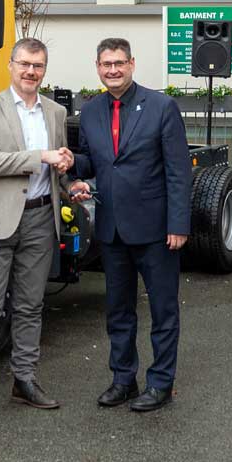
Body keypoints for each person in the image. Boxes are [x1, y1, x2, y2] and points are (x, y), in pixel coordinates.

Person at [69, 38, 191, 412]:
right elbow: (92, 162)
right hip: (112, 231)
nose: (113, 70)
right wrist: (70, 167)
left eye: (119, 63)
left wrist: (178, 224)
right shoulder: (90, 112)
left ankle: (160, 384)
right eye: (106, 64)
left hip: (156, 230)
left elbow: (178, 171)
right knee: (118, 311)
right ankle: (123, 379)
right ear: (97, 67)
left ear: (132, 64)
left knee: (163, 311)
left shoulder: (161, 107)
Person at [0, 38, 74, 425]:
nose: (31, 72)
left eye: (38, 66)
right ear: (10, 66)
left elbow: (57, 167)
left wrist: (68, 177)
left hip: (41, 219)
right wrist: (41, 156)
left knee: (30, 306)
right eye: (24, 64)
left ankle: (24, 380)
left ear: (44, 69)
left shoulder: (56, 113)